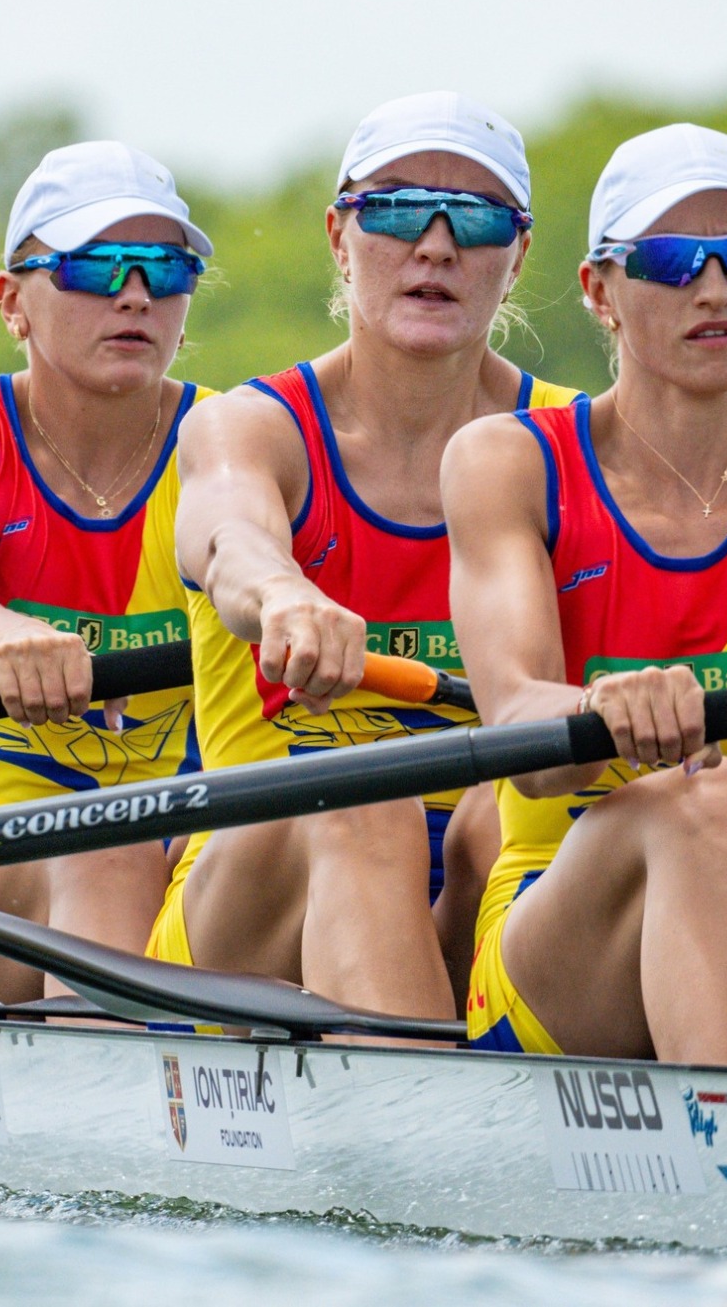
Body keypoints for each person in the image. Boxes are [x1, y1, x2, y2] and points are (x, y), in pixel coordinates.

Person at [443, 122, 727, 1076]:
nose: (714, 287)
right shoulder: (508, 461)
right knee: (703, 798)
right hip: (566, 960)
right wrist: (598, 707)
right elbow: (521, 726)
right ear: (601, 289)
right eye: (673, 259)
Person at [149, 91, 580, 1020]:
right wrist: (281, 595)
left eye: (474, 218)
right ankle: (429, 1119)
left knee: (498, 816)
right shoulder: (250, 429)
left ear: (518, 257)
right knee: (362, 801)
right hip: (256, 889)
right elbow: (229, 536)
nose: (435, 246)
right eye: (394, 209)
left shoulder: (575, 444)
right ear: (341, 238)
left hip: (484, 874)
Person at [0, 141, 215, 1015]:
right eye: (96, 265)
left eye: (164, 268)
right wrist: (7, 639)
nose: (135, 293)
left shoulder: (231, 435)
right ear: (12, 300)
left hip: (182, 859)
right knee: (108, 840)